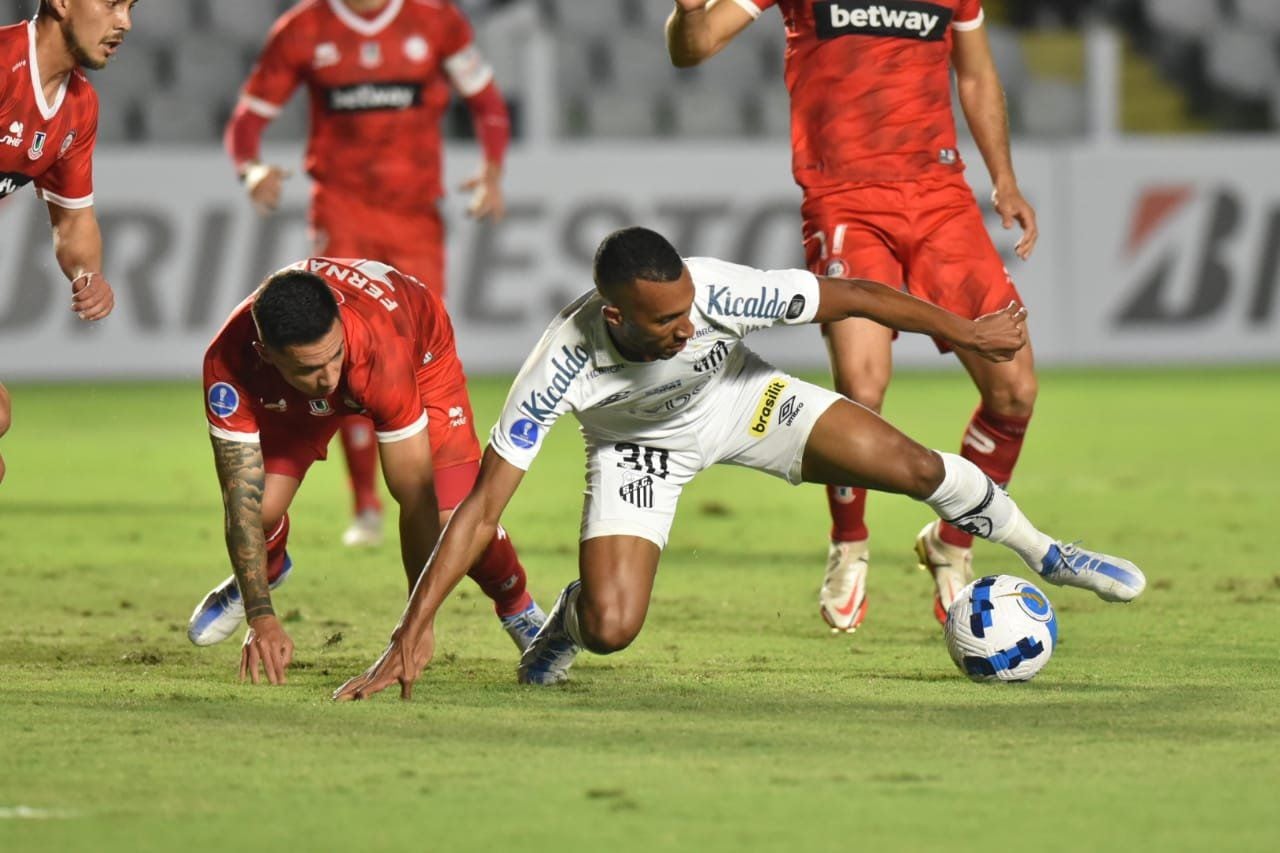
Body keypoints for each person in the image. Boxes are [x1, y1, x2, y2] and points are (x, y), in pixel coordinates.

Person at [333, 227, 1145, 700]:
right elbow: (479, 509)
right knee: (614, 627)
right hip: (636, 450)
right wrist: (413, 626)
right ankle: (565, 624)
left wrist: (964, 333)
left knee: (907, 463)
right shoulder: (560, 363)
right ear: (615, 315)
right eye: (666, 320)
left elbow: (856, 294)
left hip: (745, 402)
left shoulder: (719, 292)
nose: (688, 326)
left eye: (690, 307)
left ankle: (1045, 551)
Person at [667, 1, 1041, 632]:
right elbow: (693, 46)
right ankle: (850, 541)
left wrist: (1004, 177)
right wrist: (685, 13)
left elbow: (974, 74)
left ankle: (952, 541)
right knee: (863, 386)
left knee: (1015, 390)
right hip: (845, 199)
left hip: (941, 199)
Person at [224, 0, 511, 549]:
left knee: (411, 356)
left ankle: (441, 498)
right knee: (344, 350)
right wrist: (250, 167)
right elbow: (248, 117)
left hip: (415, 219)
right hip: (343, 213)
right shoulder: (304, 29)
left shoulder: (435, 19)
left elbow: (487, 100)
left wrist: (494, 170)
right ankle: (366, 505)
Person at [187, 257, 545, 685]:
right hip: (293, 390)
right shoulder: (226, 363)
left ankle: (517, 606)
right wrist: (260, 616)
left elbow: (415, 496)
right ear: (265, 353)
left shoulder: (378, 348)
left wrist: (418, 623)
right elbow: (239, 501)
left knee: (453, 516)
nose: (327, 377)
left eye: (333, 356)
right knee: (260, 509)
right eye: (308, 367)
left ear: (339, 325)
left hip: (418, 353)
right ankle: (269, 566)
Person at [1, 0, 128, 478]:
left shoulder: (79, 106)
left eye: (131, 7)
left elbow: (73, 222)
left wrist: (87, 275)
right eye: (113, 3)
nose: (125, 23)